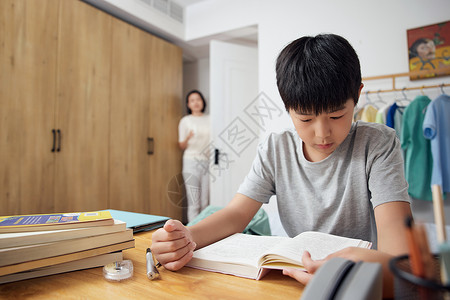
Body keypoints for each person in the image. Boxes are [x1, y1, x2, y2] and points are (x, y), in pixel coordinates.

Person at [153, 34, 412, 298]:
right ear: (287, 108)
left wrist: (361, 264)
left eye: (336, 115)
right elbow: (237, 214)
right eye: (306, 118)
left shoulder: (378, 144)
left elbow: (399, 257)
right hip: (293, 276)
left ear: (357, 95)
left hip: (357, 280)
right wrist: (186, 237)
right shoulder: (276, 149)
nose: (322, 133)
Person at [178, 90, 211, 223]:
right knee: (194, 201)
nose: (196, 103)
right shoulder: (186, 121)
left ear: (203, 101)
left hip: (208, 162)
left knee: (205, 201)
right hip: (191, 161)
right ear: (188, 104)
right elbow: (181, 145)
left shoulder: (210, 119)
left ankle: (205, 231)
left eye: (198, 99)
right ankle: (192, 232)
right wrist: (188, 137)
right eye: (192, 100)